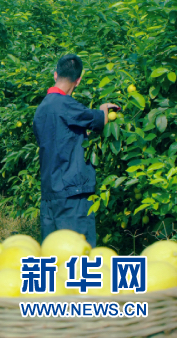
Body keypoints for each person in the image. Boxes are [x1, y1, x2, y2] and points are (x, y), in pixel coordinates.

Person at [33, 54, 119, 248]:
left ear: (55, 75)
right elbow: (99, 120)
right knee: (80, 256)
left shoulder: (42, 108)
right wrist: (104, 108)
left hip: (49, 194)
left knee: (52, 256)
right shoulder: (66, 104)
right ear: (78, 80)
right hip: (72, 195)